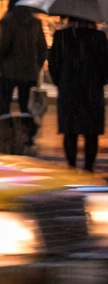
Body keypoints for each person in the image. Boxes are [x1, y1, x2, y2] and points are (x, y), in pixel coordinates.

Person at [48, 17, 108, 172]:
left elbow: (53, 63)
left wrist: (61, 81)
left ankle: (72, 165)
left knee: (70, 131)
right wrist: (99, 81)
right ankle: (88, 167)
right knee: (91, 131)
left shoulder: (61, 36)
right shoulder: (98, 37)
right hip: (92, 89)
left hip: (69, 88)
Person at [0, 0, 47, 116]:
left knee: (4, 106)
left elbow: (4, 47)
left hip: (9, 70)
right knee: (27, 107)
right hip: (29, 70)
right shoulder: (35, 22)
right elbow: (42, 47)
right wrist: (37, 65)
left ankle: (7, 130)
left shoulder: (7, 20)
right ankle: (26, 133)